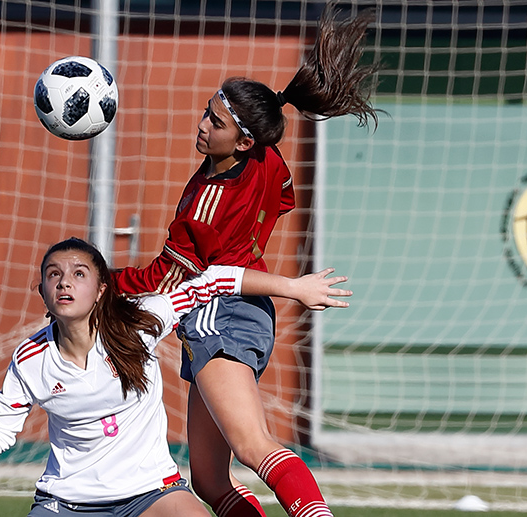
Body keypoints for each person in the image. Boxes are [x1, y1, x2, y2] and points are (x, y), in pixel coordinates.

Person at [112, 4, 380, 517]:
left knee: (253, 446)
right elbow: (282, 198)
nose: (201, 125)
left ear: (243, 140)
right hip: (248, 314)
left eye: (214, 121)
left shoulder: (206, 200)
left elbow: (172, 276)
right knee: (209, 481)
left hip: (221, 310)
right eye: (206, 111)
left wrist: (105, 281)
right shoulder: (269, 160)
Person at [0, 237, 351, 516]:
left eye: (78, 274)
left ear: (101, 289)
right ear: (41, 289)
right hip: (67, 504)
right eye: (53, 275)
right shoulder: (31, 359)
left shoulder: (140, 322)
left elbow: (212, 281)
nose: (64, 283)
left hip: (152, 495)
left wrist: (293, 288)